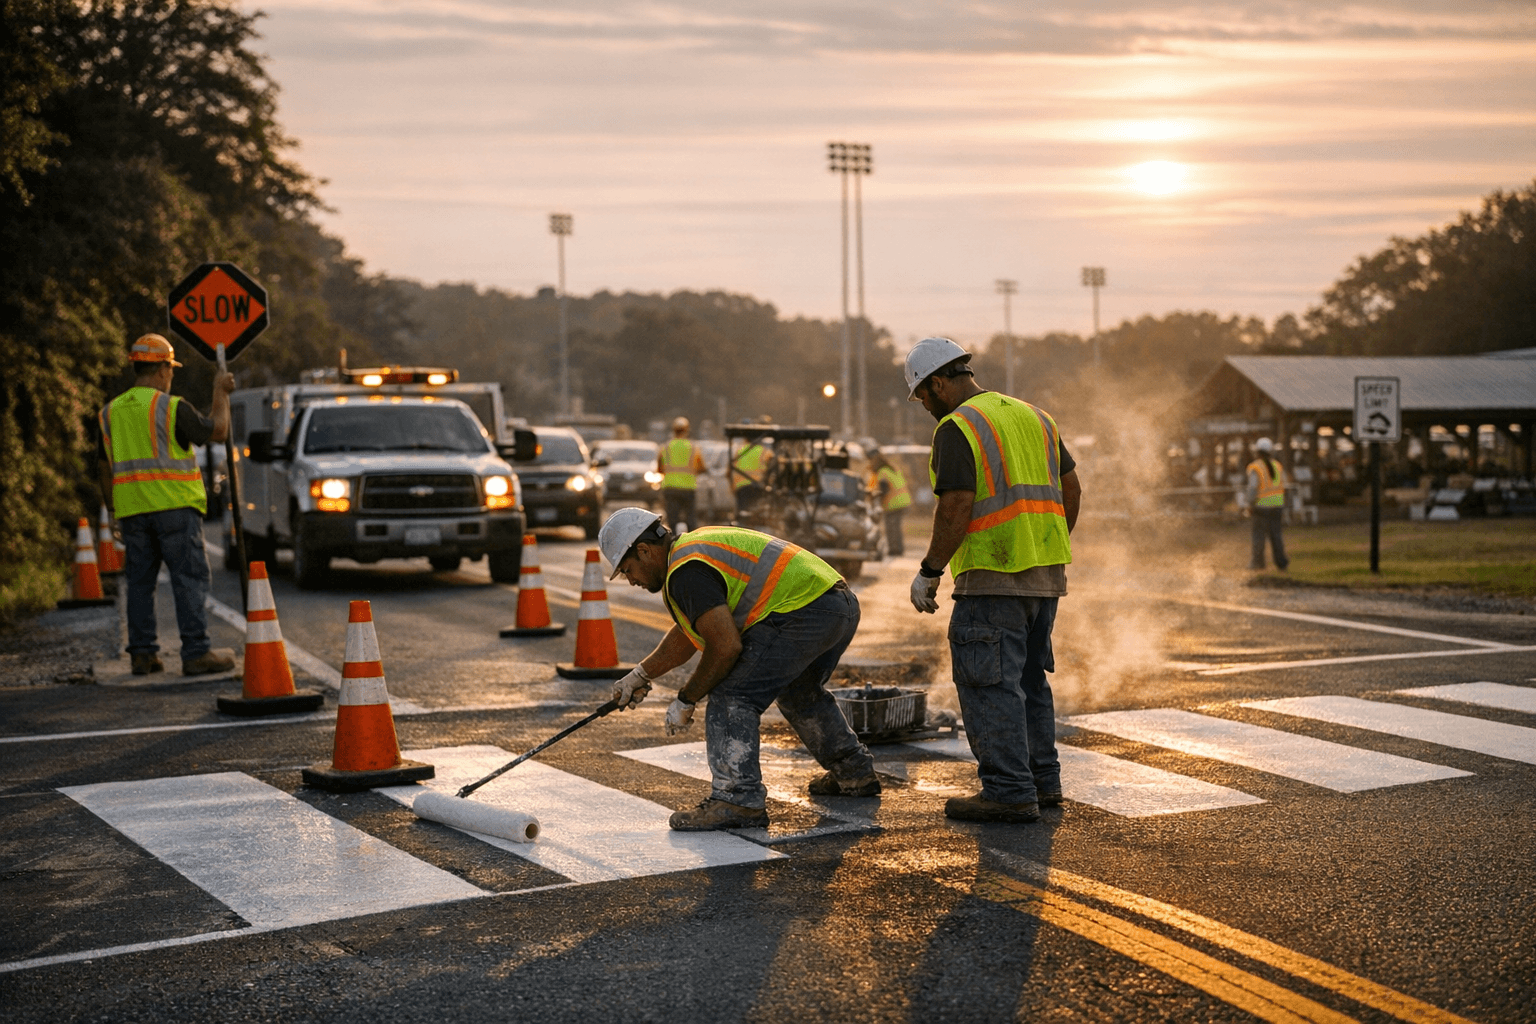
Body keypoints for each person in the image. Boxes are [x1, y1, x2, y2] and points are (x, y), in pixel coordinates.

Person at [599, 507, 879, 831]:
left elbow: (725, 647)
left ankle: (737, 799)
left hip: (806, 611)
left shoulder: (685, 572)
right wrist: (641, 674)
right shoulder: (692, 554)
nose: (631, 580)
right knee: (800, 690)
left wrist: (687, 698)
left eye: (628, 569)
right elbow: (692, 633)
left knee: (732, 694)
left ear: (645, 551)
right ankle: (853, 772)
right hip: (837, 604)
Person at [904, 337, 1081, 824]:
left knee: (988, 683)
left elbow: (956, 504)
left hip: (992, 578)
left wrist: (930, 570)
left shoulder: (958, 427)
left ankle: (1007, 790)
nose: (925, 407)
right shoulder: (1034, 416)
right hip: (1045, 577)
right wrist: (1049, 543)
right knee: (1028, 682)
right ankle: (1042, 783)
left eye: (922, 396)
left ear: (938, 383)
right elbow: (1071, 486)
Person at [97, 334, 236, 676]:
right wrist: (220, 392)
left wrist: (113, 510)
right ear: (161, 370)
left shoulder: (109, 412)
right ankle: (196, 653)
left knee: (140, 585)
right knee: (188, 579)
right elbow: (217, 430)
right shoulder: (171, 407)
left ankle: (143, 655)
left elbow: (103, 466)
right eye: (169, 370)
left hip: (132, 513)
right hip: (175, 509)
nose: (170, 377)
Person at [1245, 437, 1289, 570]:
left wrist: (1249, 504)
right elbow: (1284, 484)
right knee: (1276, 536)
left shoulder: (1256, 467)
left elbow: (1253, 488)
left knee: (1259, 536)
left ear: (1257, 452)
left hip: (1261, 506)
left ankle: (1257, 564)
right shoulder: (1277, 465)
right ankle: (1282, 564)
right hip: (1277, 506)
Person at [657, 416, 707, 533]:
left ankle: (673, 543)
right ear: (687, 430)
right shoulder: (694, 447)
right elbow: (701, 467)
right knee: (691, 520)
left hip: (670, 488)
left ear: (673, 430)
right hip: (688, 488)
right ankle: (692, 544)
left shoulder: (666, 447)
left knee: (672, 520)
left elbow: (659, 469)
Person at [867, 447, 912, 556]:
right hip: (902, 500)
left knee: (891, 527)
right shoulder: (891, 467)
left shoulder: (882, 472)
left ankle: (894, 550)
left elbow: (884, 489)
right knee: (896, 526)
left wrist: (876, 501)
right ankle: (898, 548)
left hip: (893, 503)